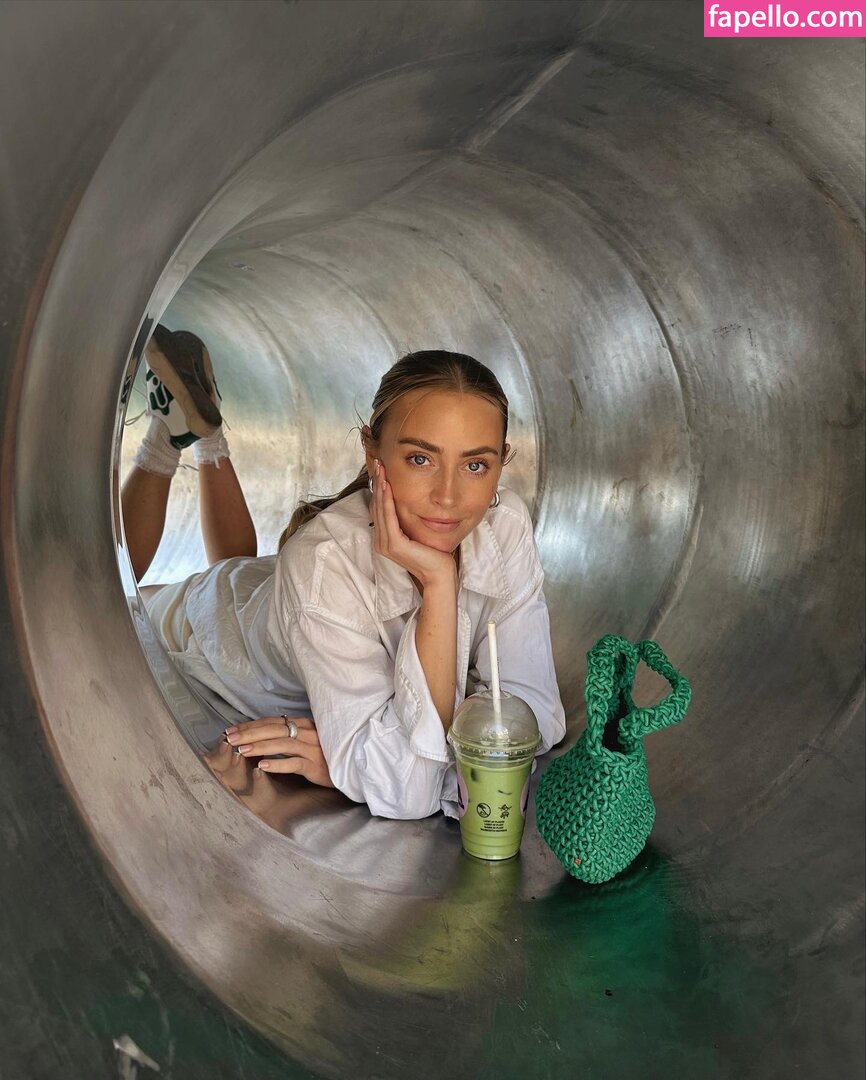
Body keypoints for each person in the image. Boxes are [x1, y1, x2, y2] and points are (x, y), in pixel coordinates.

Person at [123, 326, 566, 819]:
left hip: (279, 594)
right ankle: (169, 436)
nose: (448, 496)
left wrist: (365, 760)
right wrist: (377, 758)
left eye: (475, 466)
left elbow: (538, 716)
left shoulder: (505, 526)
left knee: (242, 565)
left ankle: (201, 433)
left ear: (502, 464)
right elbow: (410, 788)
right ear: (373, 453)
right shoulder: (320, 564)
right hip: (215, 629)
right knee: (125, 595)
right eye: (420, 459)